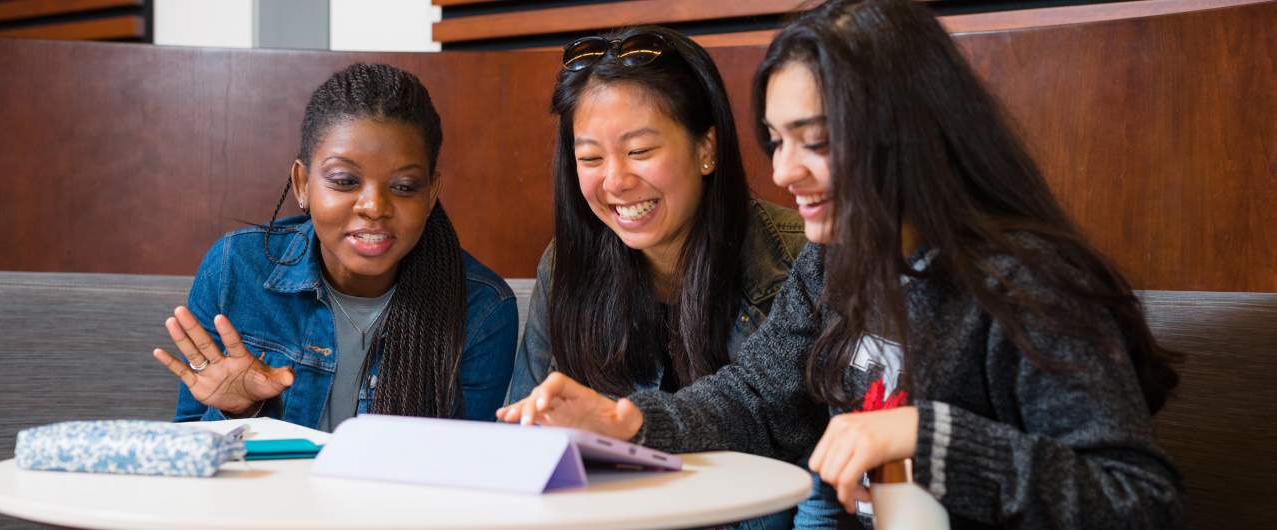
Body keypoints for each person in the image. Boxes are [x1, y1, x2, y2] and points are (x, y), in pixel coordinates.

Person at [499, 2, 1185, 528]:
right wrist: (631, 425)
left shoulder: (1028, 284)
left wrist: (928, 436)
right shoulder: (835, 261)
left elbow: (1141, 501)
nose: (785, 171)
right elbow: (756, 398)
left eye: (816, 141)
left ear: (907, 131)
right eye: (776, 141)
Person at [505, 26, 809, 528]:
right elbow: (524, 442)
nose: (616, 181)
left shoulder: (797, 260)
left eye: (640, 151)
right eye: (590, 158)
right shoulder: (564, 266)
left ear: (706, 149)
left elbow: (799, 447)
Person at [154, 63, 518, 431]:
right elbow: (192, 441)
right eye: (345, 181)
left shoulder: (482, 309)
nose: (374, 207)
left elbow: (465, 468)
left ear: (430, 195)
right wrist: (240, 413)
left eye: (405, 186)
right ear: (302, 184)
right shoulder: (236, 269)